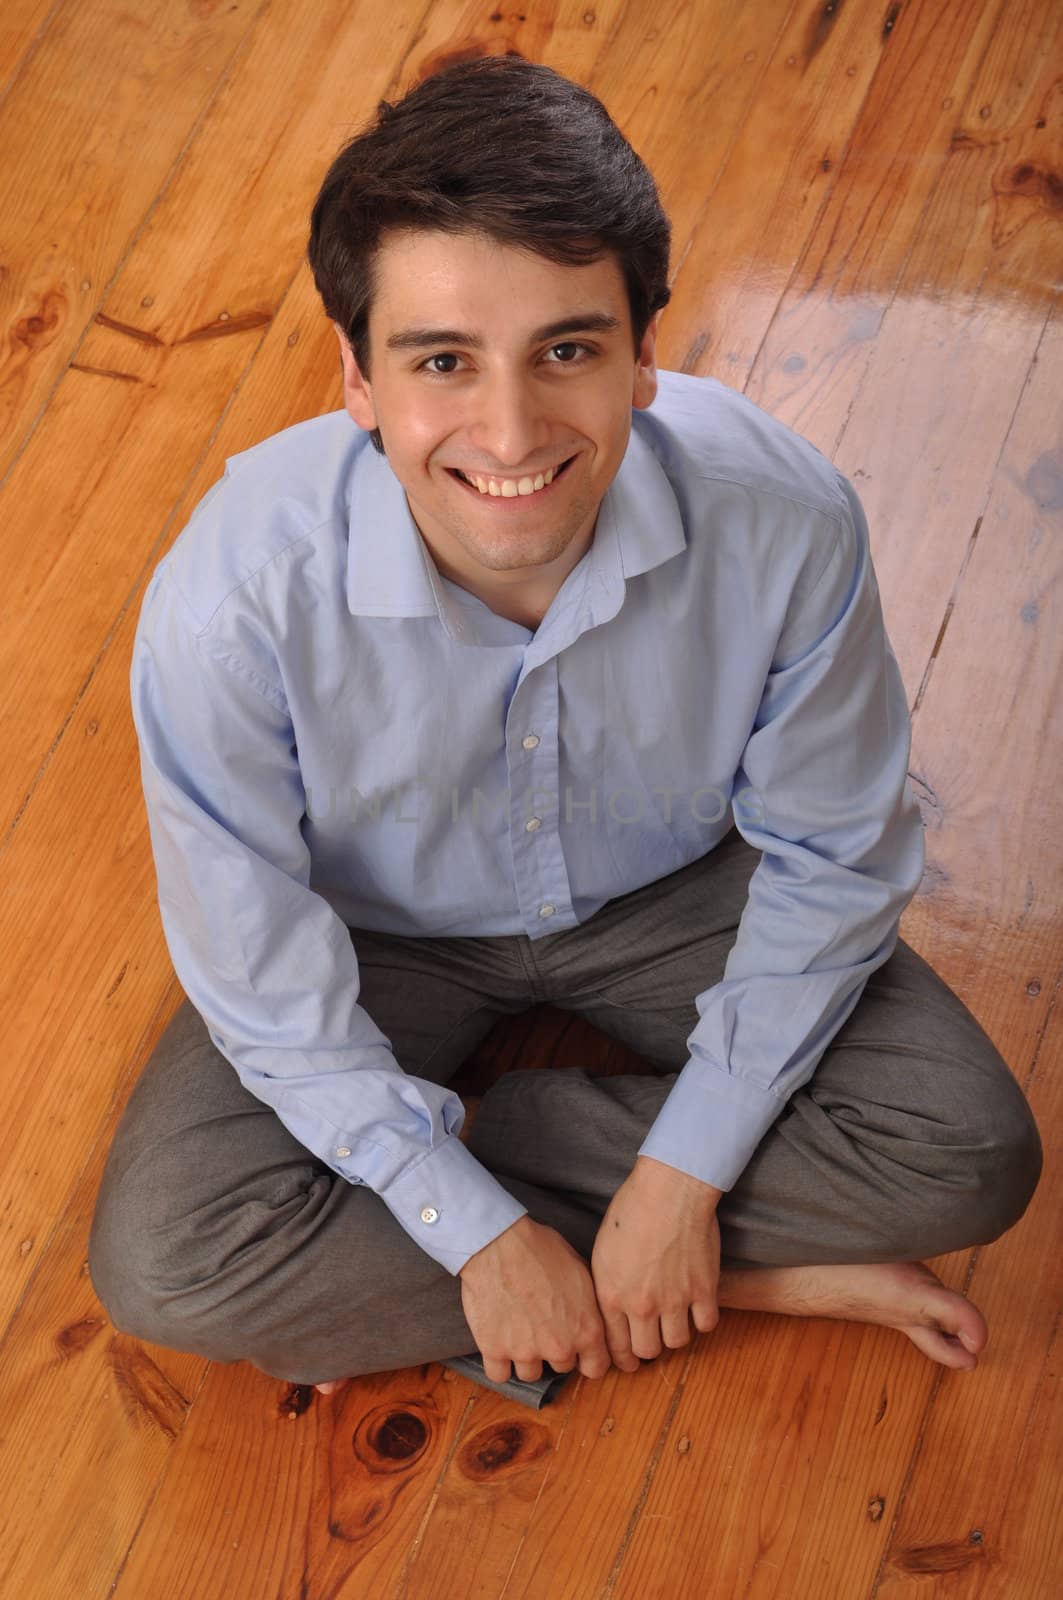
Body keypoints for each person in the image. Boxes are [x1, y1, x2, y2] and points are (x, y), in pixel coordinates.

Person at [87, 55, 1042, 1403]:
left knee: (969, 1152)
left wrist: (680, 1175)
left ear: (647, 351)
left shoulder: (784, 520)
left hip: (674, 890)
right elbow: (260, 972)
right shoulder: (231, 599)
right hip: (379, 935)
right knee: (162, 1258)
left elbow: (833, 856)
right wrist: (476, 1228)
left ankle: (518, 1201)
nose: (511, 427)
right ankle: (736, 1275)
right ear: (357, 377)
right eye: (441, 361)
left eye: (569, 349)